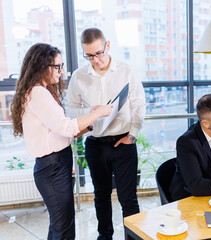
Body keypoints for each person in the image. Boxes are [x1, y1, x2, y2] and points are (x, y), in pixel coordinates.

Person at [10, 43, 113, 240]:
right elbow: (66, 127)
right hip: (52, 167)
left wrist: (89, 123)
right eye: (57, 67)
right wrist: (99, 112)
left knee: (59, 226)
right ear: (42, 66)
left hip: (53, 165)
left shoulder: (38, 91)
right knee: (64, 230)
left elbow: (59, 133)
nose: (61, 71)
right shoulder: (38, 93)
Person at [67, 28, 146, 239]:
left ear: (107, 45)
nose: (95, 60)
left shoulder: (127, 70)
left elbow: (139, 104)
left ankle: (133, 237)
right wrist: (91, 113)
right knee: (100, 196)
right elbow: (70, 109)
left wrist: (132, 135)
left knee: (128, 198)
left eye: (99, 53)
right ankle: (105, 236)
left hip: (124, 142)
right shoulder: (78, 76)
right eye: (89, 55)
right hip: (95, 143)